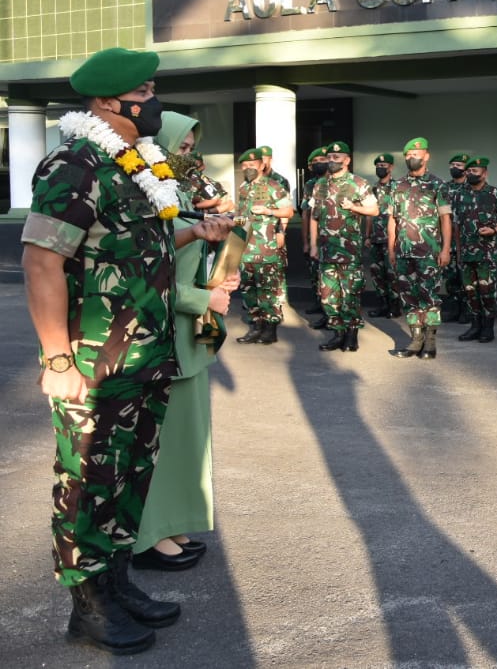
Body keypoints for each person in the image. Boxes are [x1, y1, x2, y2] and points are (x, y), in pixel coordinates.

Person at [21, 47, 232, 654]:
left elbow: (134, 244)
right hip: (93, 363)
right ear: (111, 102)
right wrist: (57, 360)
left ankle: (115, 584)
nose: (154, 99)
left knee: (129, 477)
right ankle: (86, 604)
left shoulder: (134, 163)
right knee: (86, 482)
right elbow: (41, 262)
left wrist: (197, 232)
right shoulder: (75, 165)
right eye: (146, 90)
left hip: (144, 357)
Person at [133, 112, 239, 573]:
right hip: (160, 337)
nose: (188, 156)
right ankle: (146, 536)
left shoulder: (172, 191)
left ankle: (172, 524)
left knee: (187, 441)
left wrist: (221, 273)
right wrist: (204, 297)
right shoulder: (142, 191)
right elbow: (140, 273)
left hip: (187, 339)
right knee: (161, 442)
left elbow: (187, 256)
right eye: (181, 148)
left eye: (192, 149)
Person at [309, 141, 379, 352]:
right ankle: (337, 333)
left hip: (349, 251)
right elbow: (314, 217)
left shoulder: (359, 183)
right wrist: (312, 245)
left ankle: (351, 334)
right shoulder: (319, 185)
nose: (332, 161)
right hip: (325, 250)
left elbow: (374, 210)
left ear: (347, 160)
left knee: (350, 294)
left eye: (336, 158)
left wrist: (354, 207)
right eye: (329, 157)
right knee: (328, 295)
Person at [387, 137, 452, 359]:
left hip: (429, 252)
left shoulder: (438, 184)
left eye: (417, 154)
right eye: (408, 155)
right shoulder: (397, 185)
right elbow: (392, 219)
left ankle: (430, 342)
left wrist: (446, 249)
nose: (412, 157)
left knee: (430, 296)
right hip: (404, 251)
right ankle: (415, 340)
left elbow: (445, 219)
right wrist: (391, 248)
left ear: (426, 156)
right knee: (409, 296)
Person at [233, 148, 294, 345]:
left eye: (252, 165)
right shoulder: (243, 188)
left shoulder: (273, 186)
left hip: (266, 248)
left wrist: (269, 211)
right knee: (249, 290)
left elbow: (288, 211)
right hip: (246, 249)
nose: (249, 168)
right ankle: (256, 327)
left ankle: (270, 329)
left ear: (261, 165)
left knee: (268, 290)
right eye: (245, 165)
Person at [453, 156, 497, 343]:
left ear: (484, 173)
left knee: (487, 291)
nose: (470, 174)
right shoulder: (459, 194)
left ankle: (488, 328)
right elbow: (455, 223)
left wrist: (495, 229)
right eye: (468, 171)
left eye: (475, 171)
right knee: (470, 291)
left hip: (487, 252)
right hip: (466, 252)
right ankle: (474, 326)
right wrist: (457, 249)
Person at [367, 152, 401, 318]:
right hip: (375, 238)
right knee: (376, 273)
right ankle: (383, 304)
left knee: (391, 273)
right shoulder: (372, 188)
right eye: (378, 166)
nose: (381, 168)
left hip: (391, 239)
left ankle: (395, 306)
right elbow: (369, 214)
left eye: (384, 166)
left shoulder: (398, 187)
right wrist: (367, 235)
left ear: (391, 167)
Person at [442, 152, 472, 323]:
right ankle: (455, 308)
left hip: (467, 242)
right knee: (451, 278)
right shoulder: (444, 188)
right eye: (452, 165)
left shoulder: (472, 187)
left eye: (459, 166)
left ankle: (468, 311)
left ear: (466, 169)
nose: (455, 168)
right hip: (448, 242)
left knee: (466, 278)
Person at [300, 147, 328, 319]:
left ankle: (330, 313)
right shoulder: (310, 185)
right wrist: (305, 241)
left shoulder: (335, 182)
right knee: (314, 273)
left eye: (323, 161)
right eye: (316, 162)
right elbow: (306, 213)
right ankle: (319, 304)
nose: (320, 164)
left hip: (331, 237)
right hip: (314, 236)